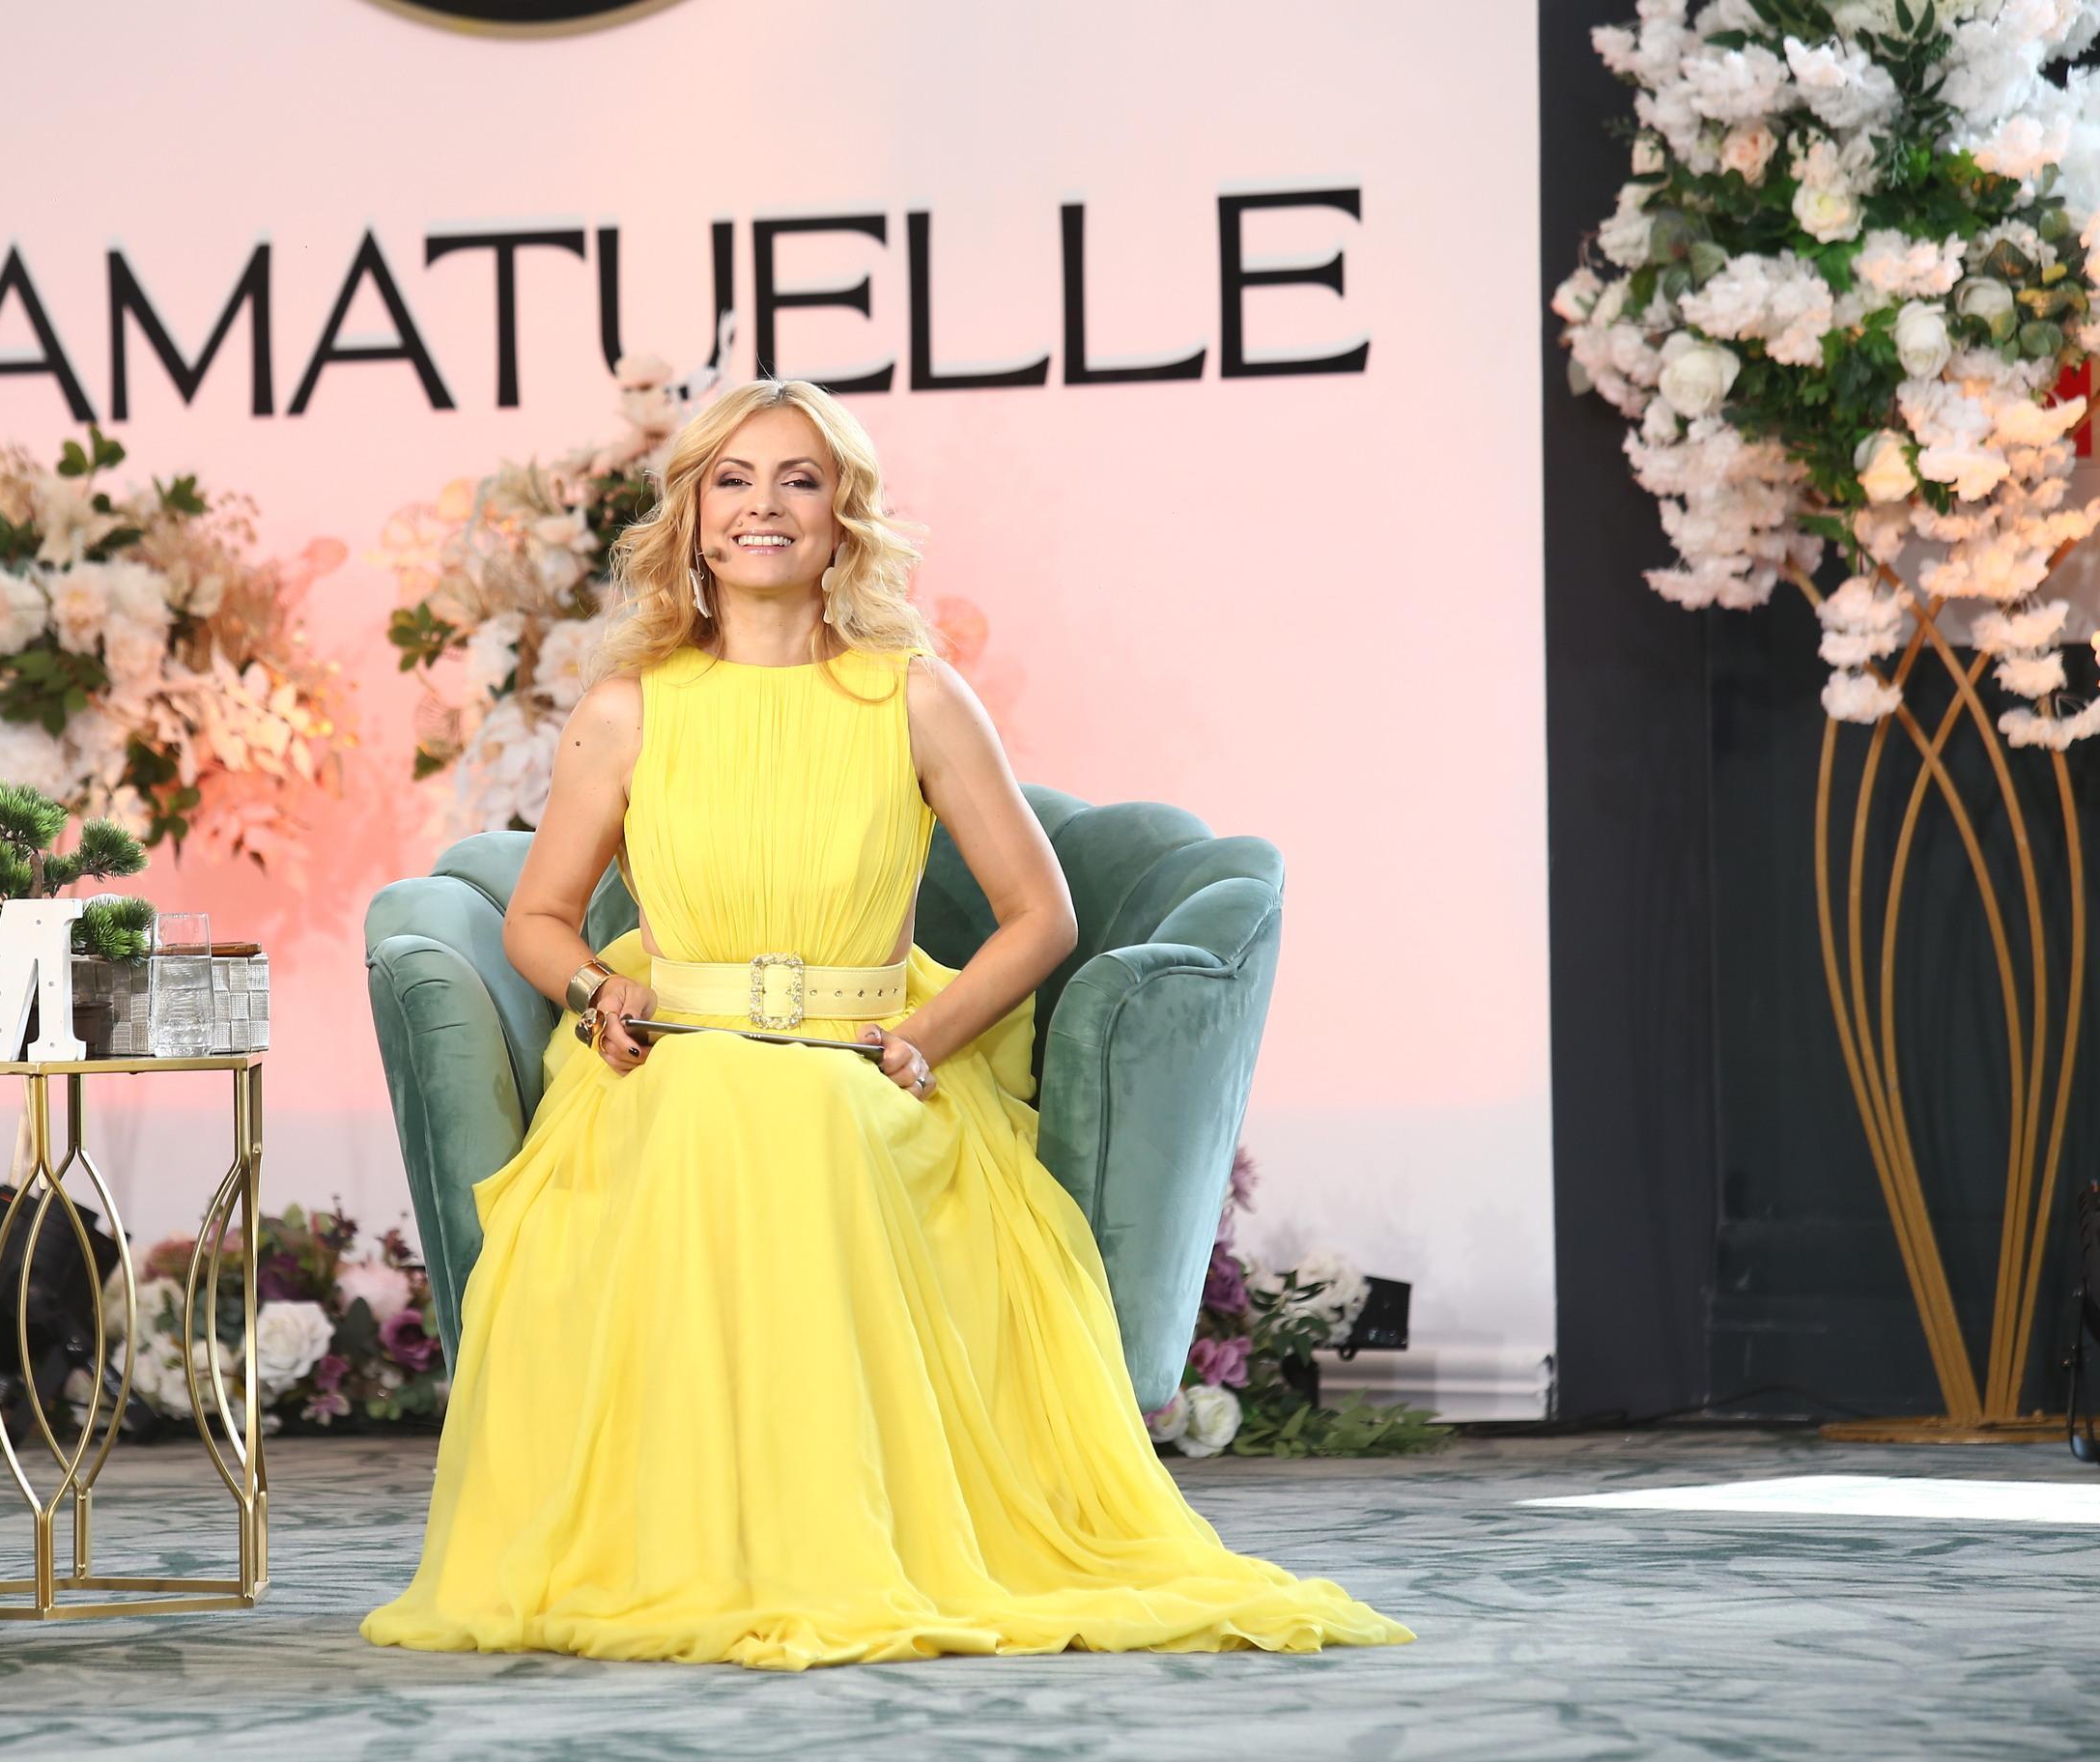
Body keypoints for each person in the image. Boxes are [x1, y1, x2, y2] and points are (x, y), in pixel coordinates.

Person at [358, 378, 1413, 1669]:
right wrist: (595, 990)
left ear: (842, 517)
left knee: (817, 1117)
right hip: (673, 1058)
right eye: (733, 480)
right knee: (714, 1109)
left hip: (872, 1058)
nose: (763, 506)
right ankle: (716, 1549)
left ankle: (832, 1546)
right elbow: (537, 920)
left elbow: (1040, 916)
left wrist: (933, 1036)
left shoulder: (915, 697)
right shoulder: (626, 709)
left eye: (798, 479)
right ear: (692, 519)